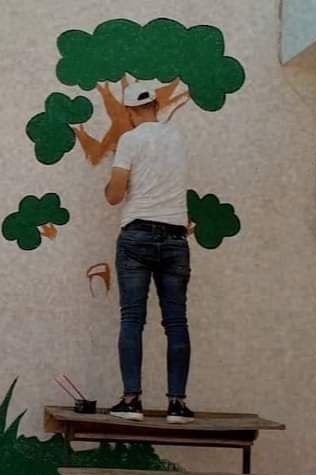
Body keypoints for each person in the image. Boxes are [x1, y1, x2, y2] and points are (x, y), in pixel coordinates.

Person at [104, 80, 195, 424]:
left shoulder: (130, 140)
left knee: (132, 319)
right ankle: (177, 404)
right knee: (176, 321)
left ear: (130, 111)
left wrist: (110, 186)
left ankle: (131, 400)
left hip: (137, 235)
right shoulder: (178, 137)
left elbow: (115, 194)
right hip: (175, 237)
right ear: (156, 106)